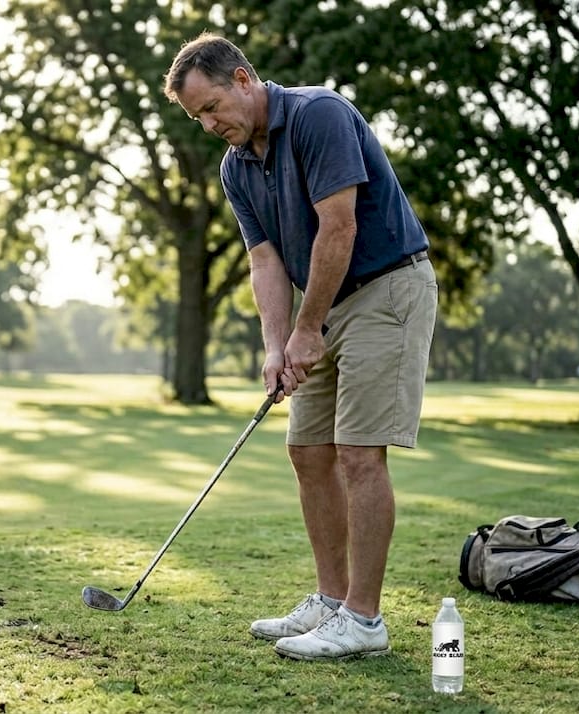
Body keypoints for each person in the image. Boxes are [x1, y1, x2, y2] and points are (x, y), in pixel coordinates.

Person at [163, 33, 437, 661]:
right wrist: (276, 345)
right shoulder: (237, 167)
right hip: (325, 302)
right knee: (307, 450)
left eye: (210, 109)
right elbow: (264, 261)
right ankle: (331, 599)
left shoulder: (319, 115)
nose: (208, 126)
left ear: (242, 79)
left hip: (385, 289)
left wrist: (307, 329)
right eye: (195, 118)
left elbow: (338, 227)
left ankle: (364, 621)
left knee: (358, 455)